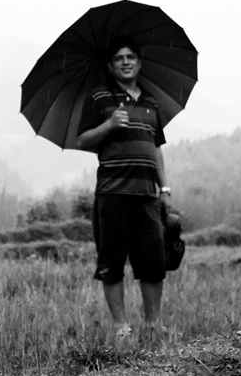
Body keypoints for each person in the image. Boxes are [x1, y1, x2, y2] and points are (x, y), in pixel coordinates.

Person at [76, 35, 172, 347]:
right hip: (112, 193)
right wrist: (108, 126)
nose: (126, 62)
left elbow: (156, 148)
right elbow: (82, 140)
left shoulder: (152, 102)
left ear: (139, 62)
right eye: (119, 58)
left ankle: (153, 325)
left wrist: (165, 187)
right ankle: (121, 327)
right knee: (111, 263)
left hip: (146, 194)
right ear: (110, 65)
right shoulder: (99, 98)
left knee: (153, 264)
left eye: (131, 56)